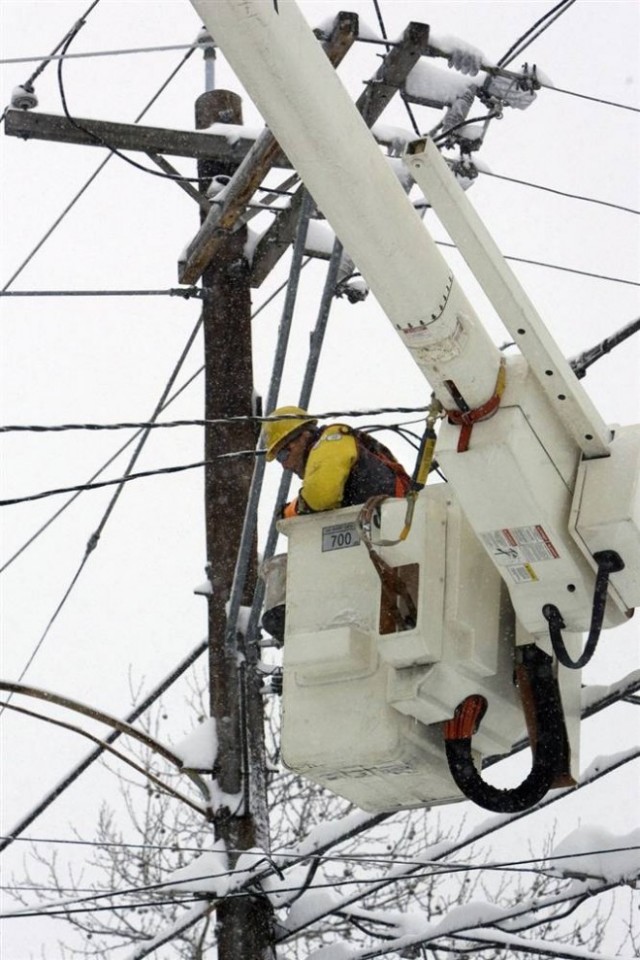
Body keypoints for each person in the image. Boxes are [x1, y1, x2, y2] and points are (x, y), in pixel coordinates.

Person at [263, 406, 411, 517]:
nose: (285, 466)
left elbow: (321, 495)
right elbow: (315, 491)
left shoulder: (332, 440)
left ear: (302, 436)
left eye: (282, 455)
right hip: (387, 523)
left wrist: (292, 511)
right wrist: (288, 511)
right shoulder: (331, 450)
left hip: (393, 523)